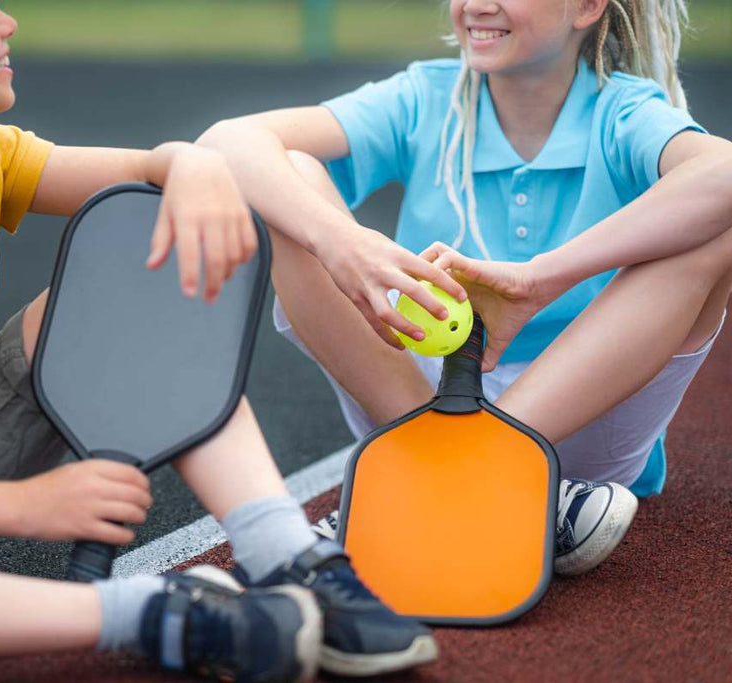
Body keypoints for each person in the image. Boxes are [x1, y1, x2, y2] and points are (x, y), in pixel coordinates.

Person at [0, 1, 439, 680]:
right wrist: (28, 508)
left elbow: (140, 174)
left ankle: (286, 553)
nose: (10, 21)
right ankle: (153, 613)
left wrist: (192, 163)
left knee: (142, 254)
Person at [198, 0, 731, 578]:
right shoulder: (424, 99)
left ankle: (460, 468)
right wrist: (341, 243)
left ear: (586, 8)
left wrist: (543, 277)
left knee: (717, 225)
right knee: (287, 181)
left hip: (582, 422)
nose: (476, 4)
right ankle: (470, 469)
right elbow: (225, 143)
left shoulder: (622, 111)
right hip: (418, 403)